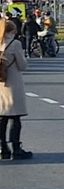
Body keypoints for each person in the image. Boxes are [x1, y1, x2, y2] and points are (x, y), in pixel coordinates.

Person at [0, 19, 31, 160]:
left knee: (2, 119)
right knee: (15, 117)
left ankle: (2, 148)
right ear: (12, 30)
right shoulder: (15, 44)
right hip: (12, 84)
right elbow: (22, 66)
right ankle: (16, 148)